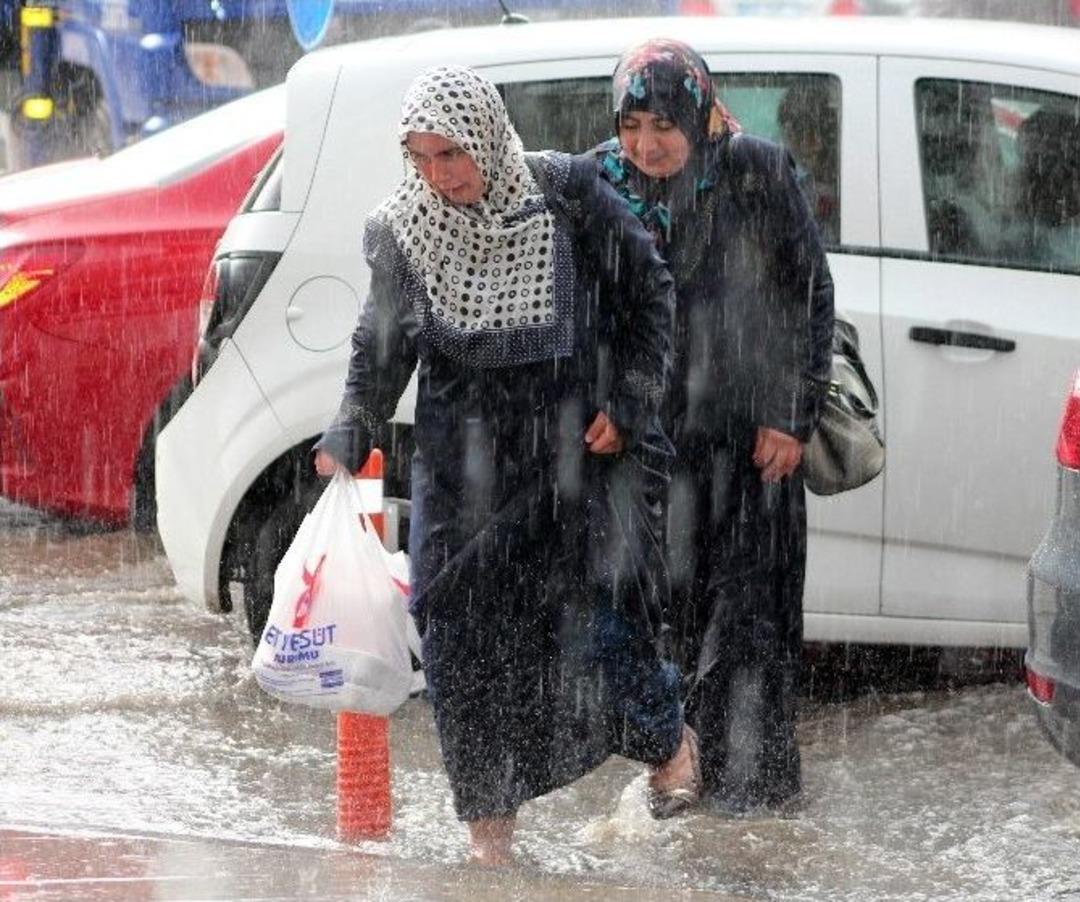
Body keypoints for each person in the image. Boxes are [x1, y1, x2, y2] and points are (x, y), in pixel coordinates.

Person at [313, 65, 699, 865]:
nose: (438, 175)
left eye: (450, 154)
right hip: (461, 471)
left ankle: (667, 743)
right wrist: (352, 422)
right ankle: (490, 841)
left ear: (486, 138)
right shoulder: (404, 229)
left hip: (570, 462)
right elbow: (382, 342)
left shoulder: (567, 196)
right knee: (458, 646)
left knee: (592, 637)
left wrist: (628, 402)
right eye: (420, 159)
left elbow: (649, 298)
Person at [593, 39, 834, 815]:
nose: (647, 143)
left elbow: (808, 292)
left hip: (753, 445)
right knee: (670, 621)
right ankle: (685, 783)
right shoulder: (605, 182)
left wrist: (791, 414)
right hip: (658, 451)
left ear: (697, 111)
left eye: (664, 122)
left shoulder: (755, 168)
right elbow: (594, 311)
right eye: (632, 124)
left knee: (752, 626)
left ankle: (755, 806)